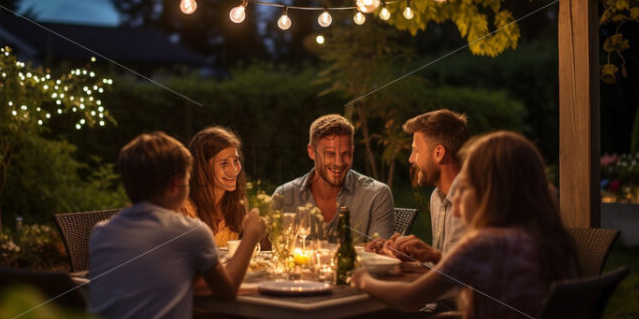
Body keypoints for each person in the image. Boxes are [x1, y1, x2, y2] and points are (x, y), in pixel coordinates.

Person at [351, 131, 579, 319]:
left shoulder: (484, 244)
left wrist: (361, 278)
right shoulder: (552, 241)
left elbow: (409, 299)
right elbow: (493, 278)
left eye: (466, 186)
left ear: (492, 191)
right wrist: (437, 256)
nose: (456, 196)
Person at [88, 132, 265, 319]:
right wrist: (251, 236)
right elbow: (226, 292)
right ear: (176, 184)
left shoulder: (100, 233)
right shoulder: (189, 232)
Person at [367, 109, 469, 264]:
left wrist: (432, 255)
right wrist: (402, 258)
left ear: (439, 153)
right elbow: (440, 270)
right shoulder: (437, 197)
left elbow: (475, 273)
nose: (411, 159)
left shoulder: (473, 200)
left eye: (416, 151)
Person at [273, 114, 394, 243]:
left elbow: (380, 255)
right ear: (311, 152)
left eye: (346, 154)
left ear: (352, 151)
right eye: (330, 154)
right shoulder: (283, 196)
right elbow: (268, 253)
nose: (339, 162)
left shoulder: (377, 195)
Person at [181, 126, 247, 248]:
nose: (234, 171)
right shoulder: (184, 209)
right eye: (224, 163)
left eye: (236, 161)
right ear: (203, 168)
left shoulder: (237, 203)